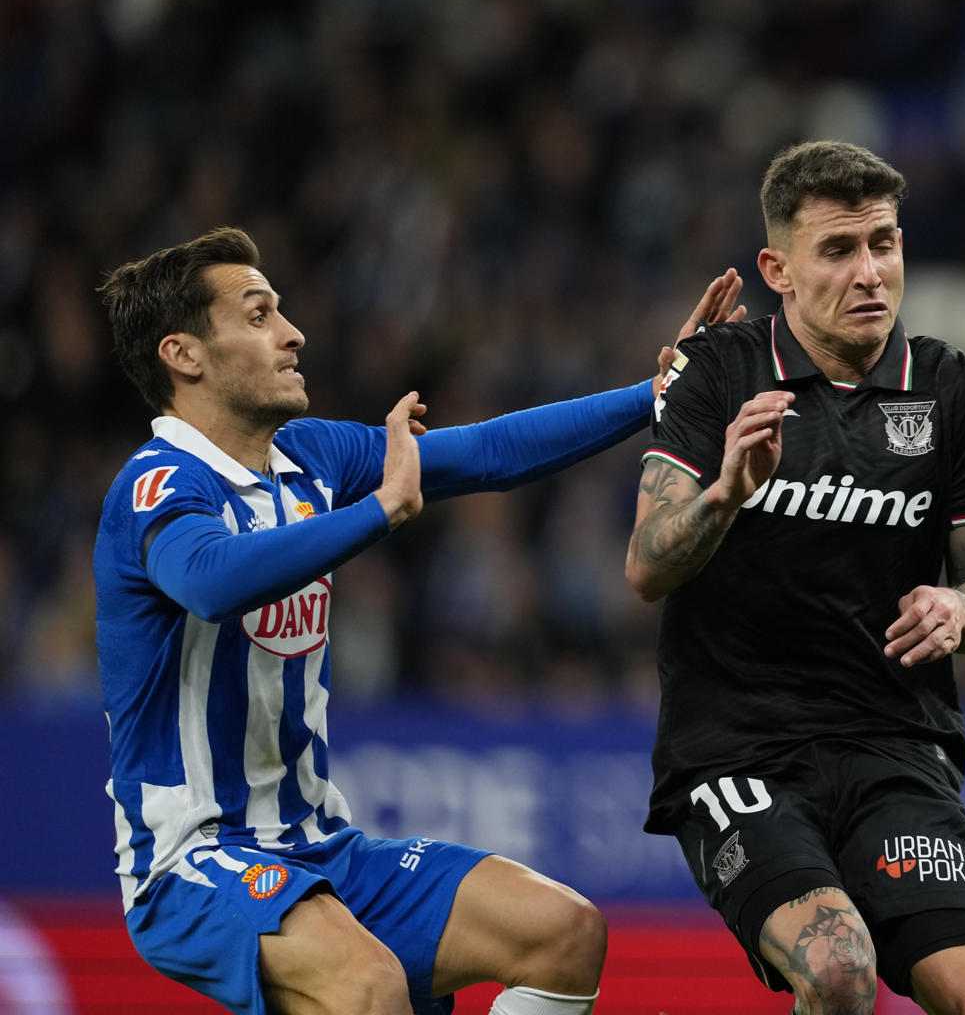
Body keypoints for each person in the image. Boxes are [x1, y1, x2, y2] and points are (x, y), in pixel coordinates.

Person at [93, 225, 745, 1015]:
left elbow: (489, 451)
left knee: (563, 932)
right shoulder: (157, 488)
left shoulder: (311, 456)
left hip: (319, 847)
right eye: (259, 315)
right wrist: (378, 512)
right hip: (191, 859)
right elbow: (207, 581)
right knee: (367, 986)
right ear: (184, 355)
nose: (293, 333)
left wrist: (657, 397)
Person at [624, 141, 965, 1015]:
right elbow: (647, 567)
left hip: (895, 747)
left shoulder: (963, 398)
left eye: (884, 243)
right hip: (739, 752)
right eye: (839, 251)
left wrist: (959, 605)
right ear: (778, 269)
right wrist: (727, 492)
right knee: (840, 970)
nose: (871, 271)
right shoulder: (719, 372)